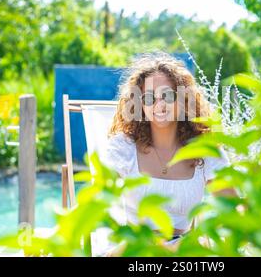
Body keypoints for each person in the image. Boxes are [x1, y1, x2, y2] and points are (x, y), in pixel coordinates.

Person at [96, 52, 236, 256]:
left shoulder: (204, 150)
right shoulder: (123, 148)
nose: (159, 105)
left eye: (168, 96)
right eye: (149, 98)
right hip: (133, 250)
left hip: (183, 251)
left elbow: (234, 208)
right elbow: (97, 202)